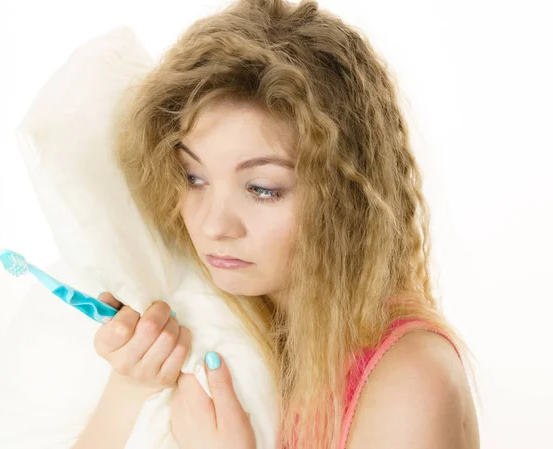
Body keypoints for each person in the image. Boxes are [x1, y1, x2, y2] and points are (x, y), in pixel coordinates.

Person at [72, 0, 480, 448]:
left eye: (262, 189)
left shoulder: (411, 379)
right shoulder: (220, 315)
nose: (214, 225)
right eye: (194, 177)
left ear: (346, 198)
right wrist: (130, 387)